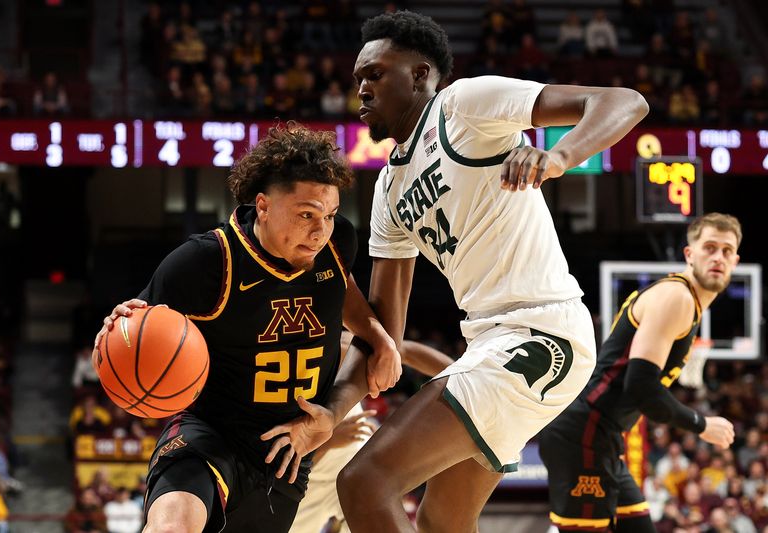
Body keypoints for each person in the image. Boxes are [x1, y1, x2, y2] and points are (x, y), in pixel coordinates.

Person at [260, 10, 649, 533]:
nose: (362, 89)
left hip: (543, 332)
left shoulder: (463, 105)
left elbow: (624, 102)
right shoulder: (389, 192)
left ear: (420, 74)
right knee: (442, 520)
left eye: (374, 74)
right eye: (358, 80)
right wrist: (332, 412)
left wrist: (558, 158)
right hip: (489, 340)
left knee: (363, 482)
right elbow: (381, 336)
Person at [93, 123, 401, 533]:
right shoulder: (205, 261)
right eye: (306, 214)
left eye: (328, 215)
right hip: (210, 434)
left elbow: (340, 288)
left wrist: (378, 335)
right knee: (172, 527)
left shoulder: (334, 242)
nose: (319, 229)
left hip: (285, 456)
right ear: (263, 206)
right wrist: (117, 331)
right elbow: (137, 329)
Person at [539, 213, 740, 533]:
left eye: (727, 250)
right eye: (710, 247)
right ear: (690, 254)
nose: (718, 257)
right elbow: (641, 387)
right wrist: (700, 424)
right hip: (584, 432)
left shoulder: (687, 303)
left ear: (736, 260)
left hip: (602, 436)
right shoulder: (677, 297)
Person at [290, 331, 454, 533]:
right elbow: (283, 462)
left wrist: (461, 374)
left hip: (354, 475)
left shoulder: (341, 347)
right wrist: (329, 441)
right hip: (307, 481)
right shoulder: (282, 371)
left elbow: (404, 351)